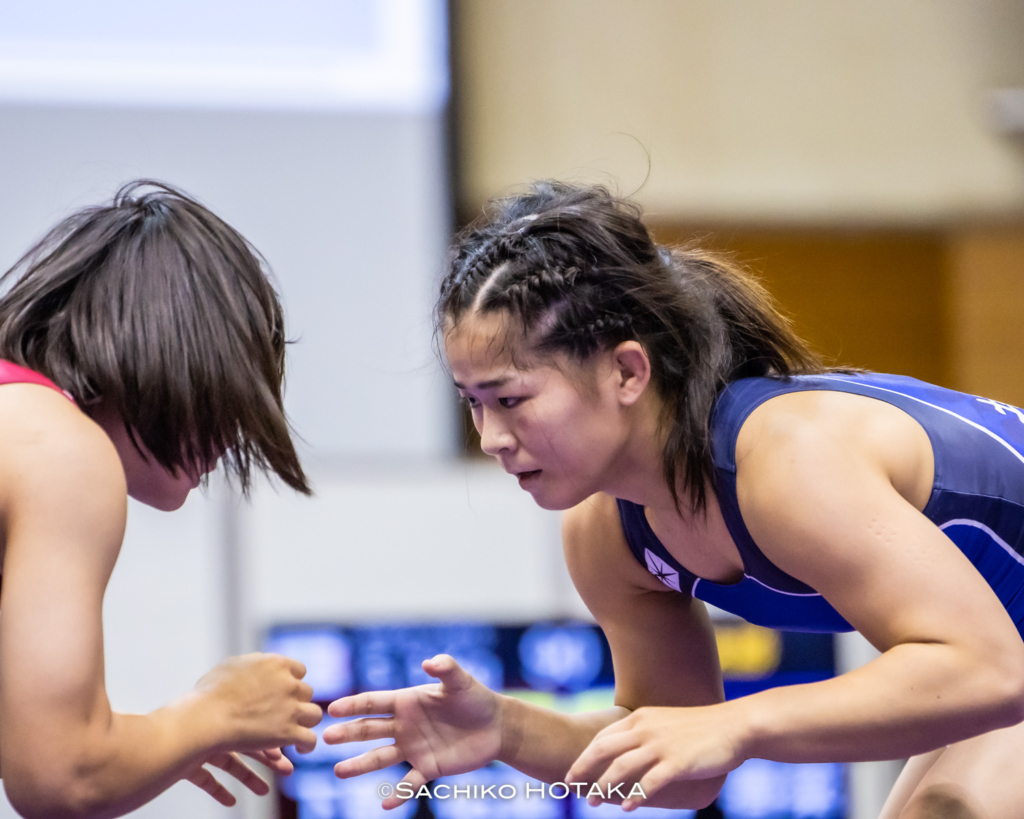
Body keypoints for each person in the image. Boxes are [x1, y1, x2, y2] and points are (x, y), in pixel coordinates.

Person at [323, 181, 1024, 818]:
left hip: (1002, 655)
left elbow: (987, 669)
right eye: (473, 404)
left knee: (951, 808)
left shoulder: (785, 463)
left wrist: (738, 723)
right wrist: (510, 729)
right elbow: (685, 771)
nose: (492, 438)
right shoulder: (606, 536)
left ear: (627, 370)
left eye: (510, 399)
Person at [0, 181, 323, 818]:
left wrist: (172, 739)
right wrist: (216, 712)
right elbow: (64, 777)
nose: (234, 438)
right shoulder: (58, 449)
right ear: (182, 359)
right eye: (234, 400)